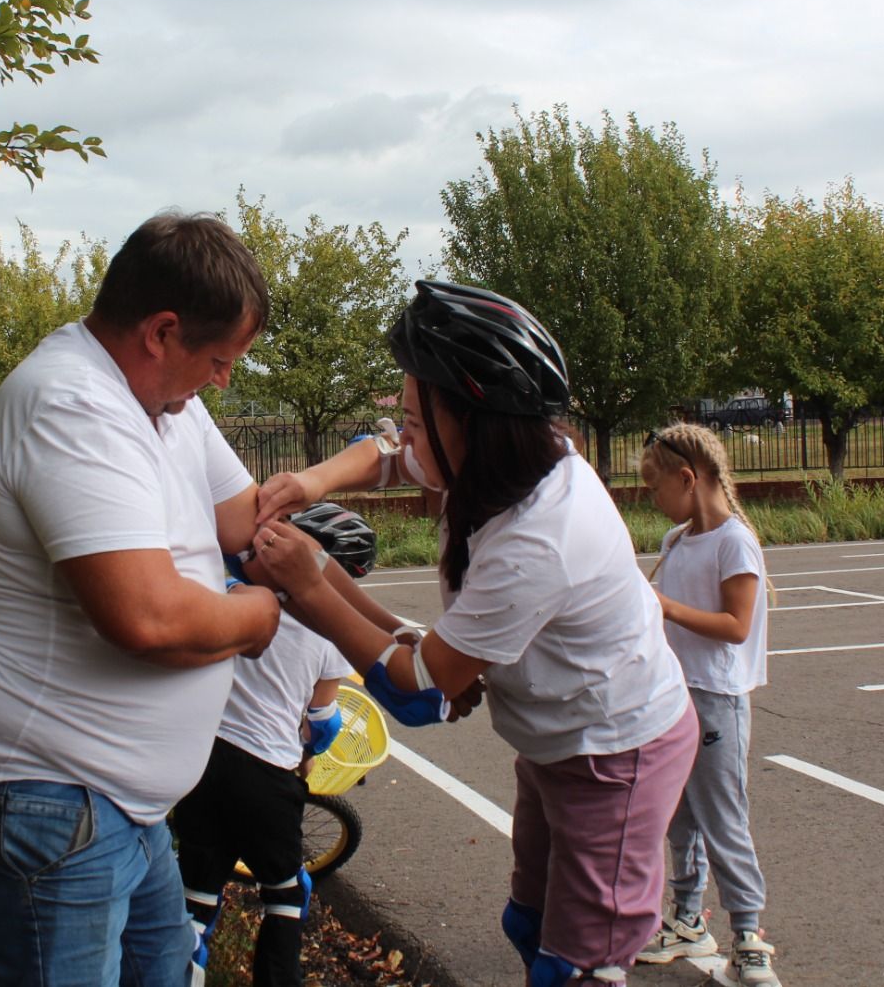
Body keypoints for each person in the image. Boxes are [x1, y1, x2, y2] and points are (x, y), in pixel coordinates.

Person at [252, 280, 699, 986]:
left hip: (616, 754)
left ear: (477, 422)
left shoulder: (540, 535)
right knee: (527, 923)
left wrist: (310, 586)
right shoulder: (504, 463)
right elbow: (391, 456)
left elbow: (420, 692)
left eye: (421, 420)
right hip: (557, 744)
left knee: (576, 966)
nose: (407, 437)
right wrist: (311, 484)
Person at [0, 213, 283, 987]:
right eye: (217, 359)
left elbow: (246, 519)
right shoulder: (72, 404)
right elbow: (147, 618)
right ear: (161, 331)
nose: (223, 379)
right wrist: (257, 616)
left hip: (116, 808)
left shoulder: (165, 405)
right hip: (41, 797)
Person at [173, 503, 387, 987]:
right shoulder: (331, 634)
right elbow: (323, 721)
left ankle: (179, 973)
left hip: (201, 763)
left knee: (197, 893)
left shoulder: (235, 595)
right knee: (286, 895)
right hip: (268, 772)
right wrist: (308, 755)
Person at [634, 424, 783, 987]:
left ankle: (748, 933)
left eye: (655, 487)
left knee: (723, 817)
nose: (652, 499)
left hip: (716, 699)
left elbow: (736, 626)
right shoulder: (678, 539)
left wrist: (664, 607)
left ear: (688, 478)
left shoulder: (734, 541)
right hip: (672, 695)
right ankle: (689, 920)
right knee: (679, 817)